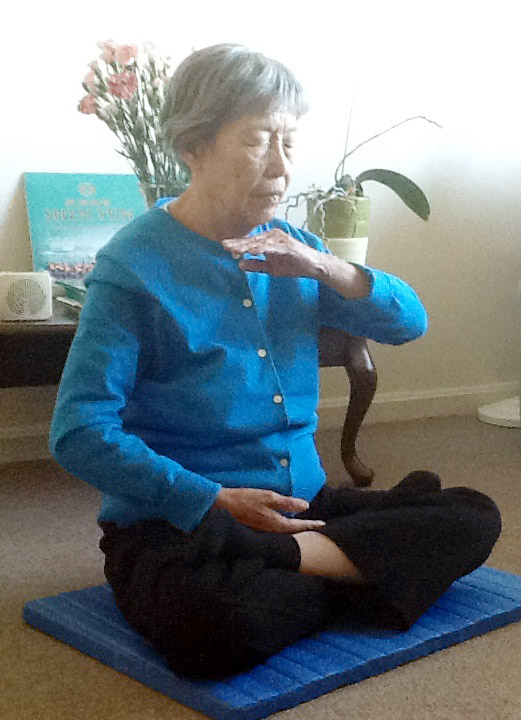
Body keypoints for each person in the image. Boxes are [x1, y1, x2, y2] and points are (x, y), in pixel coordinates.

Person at [49, 43, 501, 679]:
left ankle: (293, 562)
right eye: (260, 140)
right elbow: (78, 431)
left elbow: (409, 324)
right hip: (188, 523)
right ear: (194, 146)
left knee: (475, 515)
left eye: (290, 142)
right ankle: (356, 567)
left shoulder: (296, 251)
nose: (282, 167)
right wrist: (213, 500)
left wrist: (324, 265)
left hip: (301, 507)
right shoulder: (133, 269)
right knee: (214, 626)